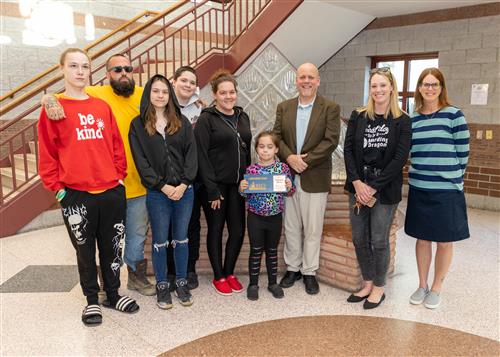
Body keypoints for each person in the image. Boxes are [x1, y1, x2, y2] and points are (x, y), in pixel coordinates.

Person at [38, 48, 139, 327]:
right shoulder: (53, 107)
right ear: (62, 70)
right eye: (73, 66)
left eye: (84, 66)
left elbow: (116, 144)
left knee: (113, 247)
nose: (80, 71)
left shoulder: (100, 106)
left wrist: (119, 176)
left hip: (110, 191)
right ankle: (91, 300)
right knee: (85, 251)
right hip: (76, 194)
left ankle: (114, 294)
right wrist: (58, 189)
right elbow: (47, 153)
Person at [343, 67, 411, 309]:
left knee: (379, 240)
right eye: (374, 86)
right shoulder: (358, 116)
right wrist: (357, 182)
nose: (378, 90)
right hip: (358, 187)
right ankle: (368, 282)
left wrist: (372, 188)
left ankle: (379, 287)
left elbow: (399, 159)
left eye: (383, 85)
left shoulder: (402, 120)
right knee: (360, 238)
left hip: (384, 190)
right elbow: (348, 150)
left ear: (391, 87)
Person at [129, 74, 197, 309]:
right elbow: (142, 163)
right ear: (149, 94)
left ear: (170, 95)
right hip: (158, 194)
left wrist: (184, 184)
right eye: (156, 91)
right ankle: (162, 286)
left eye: (164, 92)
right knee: (160, 241)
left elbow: (192, 155)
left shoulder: (182, 122)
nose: (160, 95)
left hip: (184, 192)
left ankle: (180, 282)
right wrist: (163, 186)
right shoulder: (137, 125)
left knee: (181, 239)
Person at [405, 67, 470, 309]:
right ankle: (422, 285)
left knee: (444, 241)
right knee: (422, 239)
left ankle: (436, 288)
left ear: (441, 88)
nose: (430, 88)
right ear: (419, 88)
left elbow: (463, 154)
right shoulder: (413, 119)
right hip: (420, 187)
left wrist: (452, 178)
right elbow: (411, 151)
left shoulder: (454, 115)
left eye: (434, 84)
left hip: (447, 189)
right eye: (425, 84)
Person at [273, 62, 340, 295]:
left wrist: (305, 161)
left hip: (316, 176)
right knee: (291, 226)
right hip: (289, 176)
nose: (307, 81)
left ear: (318, 80)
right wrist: (290, 157)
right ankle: (293, 268)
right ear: (296, 80)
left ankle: (309, 271)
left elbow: (331, 141)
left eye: (311, 77)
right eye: (302, 77)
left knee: (313, 228)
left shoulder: (330, 108)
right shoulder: (284, 107)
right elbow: (276, 137)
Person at [194, 70, 252, 296]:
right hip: (215, 187)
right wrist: (212, 190)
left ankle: (229, 272)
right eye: (223, 93)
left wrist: (250, 178)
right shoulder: (206, 119)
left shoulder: (242, 116)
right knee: (216, 230)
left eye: (232, 92)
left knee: (237, 231)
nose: (229, 96)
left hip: (238, 185)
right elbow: (201, 156)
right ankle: (218, 276)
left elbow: (247, 150)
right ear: (215, 95)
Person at [239, 131, 294, 301]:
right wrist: (242, 188)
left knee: (271, 251)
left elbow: (290, 191)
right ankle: (253, 284)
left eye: (269, 147)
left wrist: (288, 184)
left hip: (275, 217)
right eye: (261, 147)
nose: (265, 150)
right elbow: (246, 195)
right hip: (255, 217)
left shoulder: (282, 168)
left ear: (276, 149)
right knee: (255, 251)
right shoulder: (251, 169)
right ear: (256, 149)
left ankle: (272, 283)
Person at [166, 66, 206, 291]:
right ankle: (171, 271)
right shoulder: (161, 106)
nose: (188, 85)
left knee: (191, 226)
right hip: (169, 178)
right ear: (174, 82)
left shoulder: (201, 110)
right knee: (170, 227)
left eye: (192, 82)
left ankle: (189, 269)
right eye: (184, 80)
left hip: (194, 178)